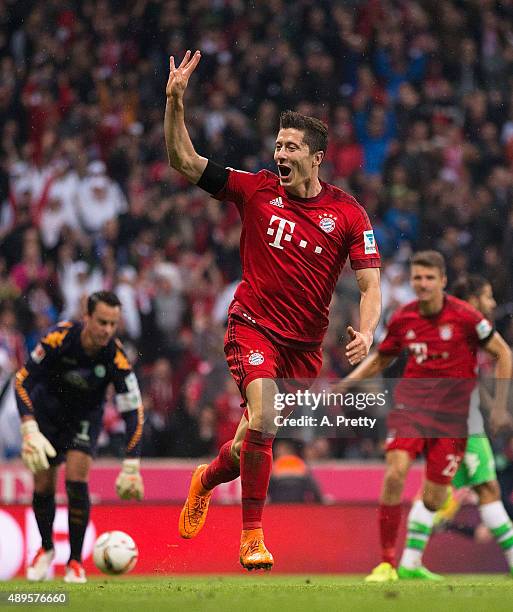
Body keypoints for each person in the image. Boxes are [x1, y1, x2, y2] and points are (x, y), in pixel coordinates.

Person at [165, 50, 381, 570]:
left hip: (302, 346)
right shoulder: (257, 188)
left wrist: (368, 330)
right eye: (278, 144)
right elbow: (184, 162)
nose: (279, 152)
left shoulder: (347, 213)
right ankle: (252, 537)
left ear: (316, 157)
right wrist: (174, 103)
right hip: (251, 324)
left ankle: (207, 478)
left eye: (291, 147)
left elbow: (370, 283)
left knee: (246, 449)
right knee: (266, 417)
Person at [337, 251, 511, 582]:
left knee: (433, 499)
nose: (423, 283)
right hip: (411, 410)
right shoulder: (403, 318)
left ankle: (411, 562)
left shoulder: (467, 317)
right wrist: (346, 384)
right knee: (395, 473)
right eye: (418, 277)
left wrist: (502, 406)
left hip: (453, 422)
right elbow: (382, 358)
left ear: (443, 281)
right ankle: (387, 562)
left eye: (430, 277)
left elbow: (503, 352)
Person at [15, 291, 145, 583]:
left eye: (113, 324)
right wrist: (28, 427)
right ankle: (46, 549)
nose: (107, 330)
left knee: (76, 480)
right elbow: (22, 379)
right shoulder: (59, 338)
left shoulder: (116, 356)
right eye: (102, 322)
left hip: (84, 420)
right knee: (44, 483)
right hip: (46, 414)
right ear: (86, 317)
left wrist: (132, 464)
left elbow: (133, 409)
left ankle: (74, 562)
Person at [433, 275, 513, 574]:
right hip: (461, 422)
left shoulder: (451, 324)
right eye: (488, 296)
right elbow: (505, 353)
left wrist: (493, 408)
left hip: (455, 417)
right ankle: (402, 561)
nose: (492, 303)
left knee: (452, 491)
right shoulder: (466, 322)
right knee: (485, 489)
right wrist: (499, 408)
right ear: (473, 299)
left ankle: (404, 561)